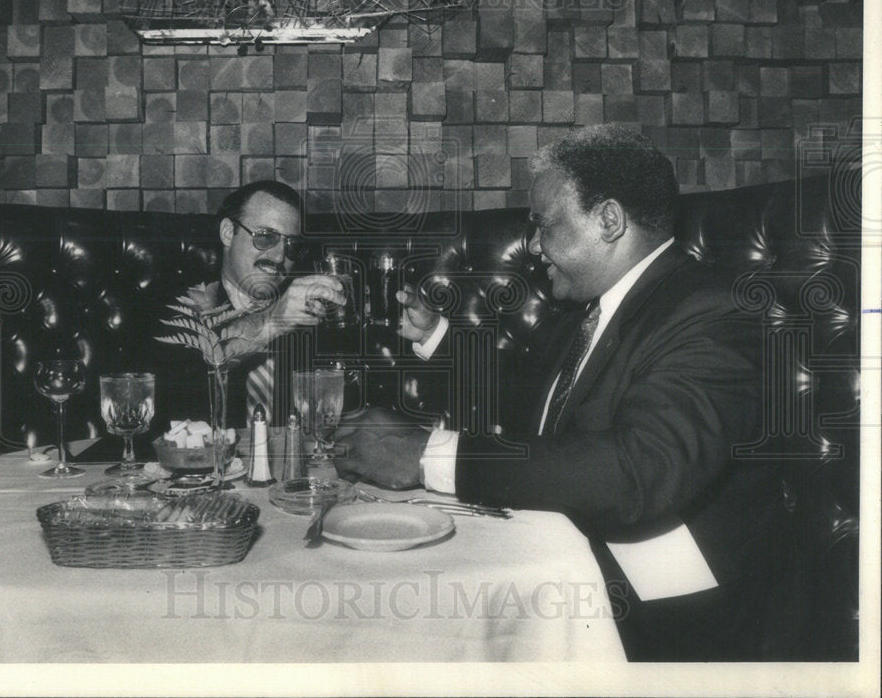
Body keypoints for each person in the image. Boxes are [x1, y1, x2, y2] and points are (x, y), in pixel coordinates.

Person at [334, 124, 787, 661]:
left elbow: (637, 472)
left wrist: (427, 455)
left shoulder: (711, 314)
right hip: (574, 557)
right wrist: (437, 336)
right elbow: (536, 402)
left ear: (609, 221)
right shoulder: (596, 305)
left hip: (663, 614)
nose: (533, 242)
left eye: (545, 223)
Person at [210, 180, 344, 427]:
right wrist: (273, 321)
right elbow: (202, 358)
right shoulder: (179, 303)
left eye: (291, 245)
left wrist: (430, 333)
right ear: (228, 232)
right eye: (265, 237)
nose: (279, 257)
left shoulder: (310, 314)